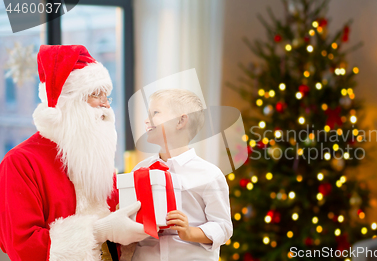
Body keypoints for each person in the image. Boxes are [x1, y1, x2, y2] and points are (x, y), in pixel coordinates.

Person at [0, 45, 149, 261]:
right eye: (96, 95)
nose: (106, 105)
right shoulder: (20, 162)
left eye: (107, 96)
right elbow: (22, 246)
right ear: (67, 101)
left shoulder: (96, 157)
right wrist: (99, 231)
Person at [129, 89, 232, 261]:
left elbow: (223, 227)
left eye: (155, 113)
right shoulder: (140, 171)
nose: (147, 120)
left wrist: (190, 232)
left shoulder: (210, 175)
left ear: (180, 121)